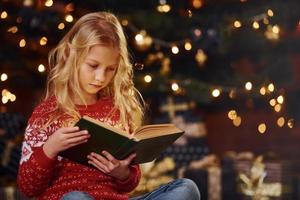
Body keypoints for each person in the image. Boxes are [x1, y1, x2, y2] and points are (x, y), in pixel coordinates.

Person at [17, 11, 200, 200]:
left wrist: (122, 173)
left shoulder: (116, 110)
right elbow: (28, 188)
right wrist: (50, 148)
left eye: (110, 69)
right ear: (72, 56)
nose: (101, 77)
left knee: (187, 188)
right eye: (93, 66)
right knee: (76, 198)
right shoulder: (47, 113)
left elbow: (130, 183)